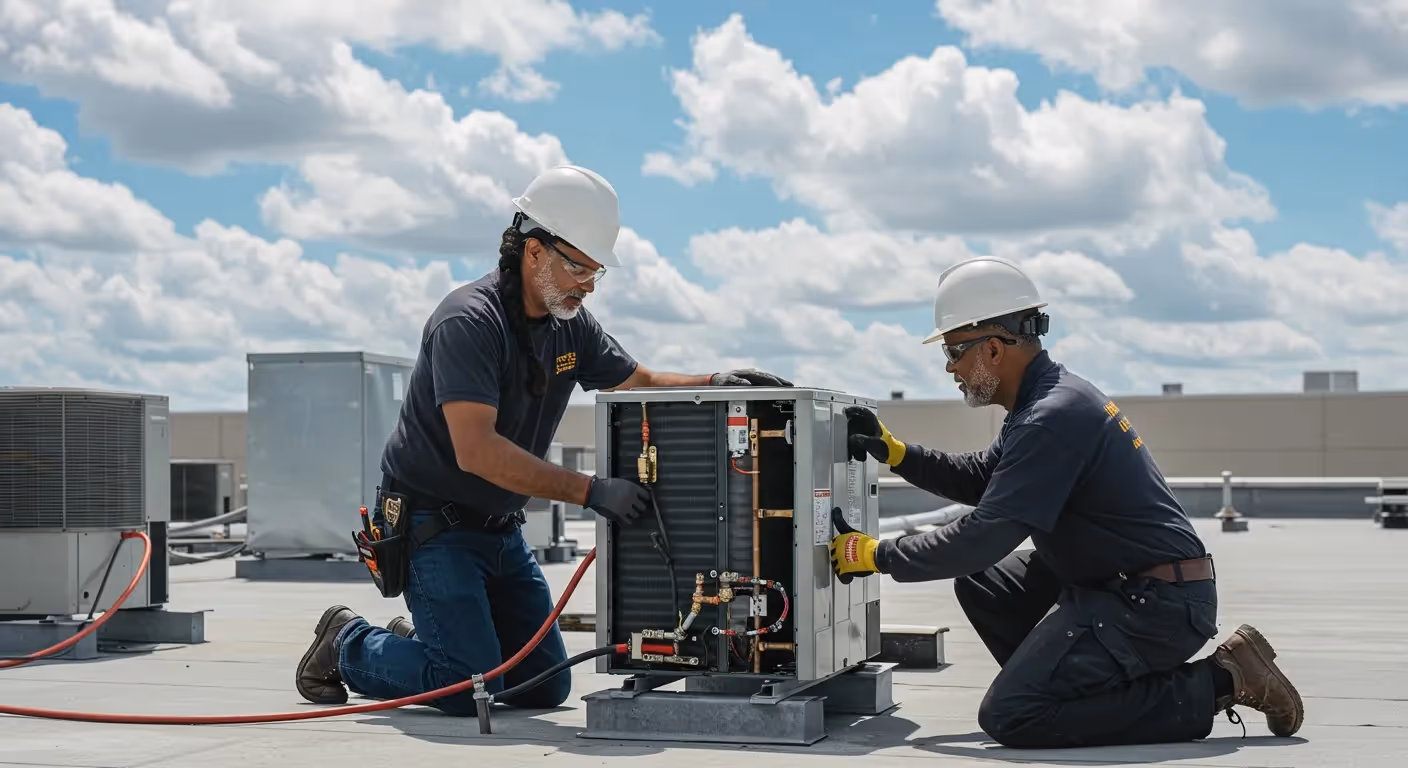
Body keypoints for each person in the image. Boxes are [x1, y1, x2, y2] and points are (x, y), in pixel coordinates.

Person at [294, 164, 792, 714]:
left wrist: (718, 383)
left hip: (499, 528)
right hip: (434, 528)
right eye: (578, 267)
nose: (588, 285)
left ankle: (422, 645)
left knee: (544, 684)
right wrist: (589, 490)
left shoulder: (570, 325)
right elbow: (477, 451)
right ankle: (345, 642)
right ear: (533, 251)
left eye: (596, 272)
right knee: (466, 687)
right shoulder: (468, 323)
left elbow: (638, 380)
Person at [829, 256, 1304, 748]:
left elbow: (985, 535)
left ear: (992, 348)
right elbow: (985, 479)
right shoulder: (1047, 401)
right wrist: (898, 454)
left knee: (1013, 716)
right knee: (986, 583)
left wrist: (876, 554)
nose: (950, 367)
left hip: (1155, 604)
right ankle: (1068, 687)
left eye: (953, 351)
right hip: (1121, 583)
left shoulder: (1050, 418)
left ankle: (1225, 679)